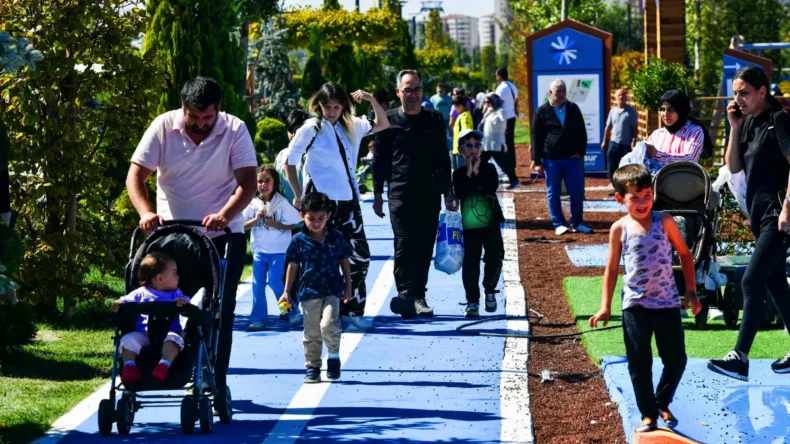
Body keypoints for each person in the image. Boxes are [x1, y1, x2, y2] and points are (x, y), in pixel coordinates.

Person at [126, 77, 257, 403]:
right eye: (193, 117)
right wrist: (145, 212)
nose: (200, 124)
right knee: (164, 307)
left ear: (218, 111)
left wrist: (225, 214)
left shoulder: (235, 129)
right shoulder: (162, 127)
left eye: (207, 118)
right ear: (182, 109)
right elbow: (136, 175)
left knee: (218, 312)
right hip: (173, 239)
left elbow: (248, 183)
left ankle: (216, 381)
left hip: (222, 236)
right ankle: (156, 367)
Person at [590, 164, 701, 433]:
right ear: (620, 199)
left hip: (667, 304)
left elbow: (685, 255)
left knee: (676, 359)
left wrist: (691, 290)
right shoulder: (619, 228)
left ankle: (662, 401)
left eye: (647, 196)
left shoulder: (665, 221)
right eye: (635, 198)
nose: (642, 203)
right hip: (635, 306)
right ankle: (649, 414)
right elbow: (612, 267)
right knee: (640, 362)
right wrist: (605, 306)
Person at [707, 66, 790, 381]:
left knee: (750, 282)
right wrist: (733, 127)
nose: (737, 99)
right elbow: (734, 166)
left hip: (779, 217)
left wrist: (787, 208)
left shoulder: (778, 121)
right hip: (760, 216)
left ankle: (740, 357)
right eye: (735, 93)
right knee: (774, 282)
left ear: (761, 92)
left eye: (743, 93)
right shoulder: (748, 122)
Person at [285, 83, 389, 330]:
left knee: (360, 257)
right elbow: (290, 160)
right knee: (316, 257)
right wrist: (300, 196)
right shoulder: (311, 128)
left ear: (343, 106)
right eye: (326, 106)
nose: (331, 111)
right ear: (318, 105)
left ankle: (351, 310)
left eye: (336, 106)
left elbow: (383, 124)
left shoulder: (351, 125)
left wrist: (372, 99)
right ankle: (313, 308)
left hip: (348, 203)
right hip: (320, 202)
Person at [373, 69, 457, 319]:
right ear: (398, 92)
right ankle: (405, 294)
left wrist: (449, 191)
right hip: (399, 193)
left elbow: (443, 157)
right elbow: (379, 160)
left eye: (417, 89)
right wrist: (377, 193)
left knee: (423, 245)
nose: (413, 94)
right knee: (404, 243)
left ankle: (419, 296)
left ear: (423, 91)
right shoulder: (387, 121)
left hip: (429, 193)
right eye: (407, 89)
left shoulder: (434, 119)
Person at [281, 192, 352, 383]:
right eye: (311, 218)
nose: (316, 222)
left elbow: (344, 261)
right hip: (308, 291)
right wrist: (287, 291)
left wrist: (348, 285)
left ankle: (334, 356)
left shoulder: (335, 237)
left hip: (332, 289)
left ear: (328, 216)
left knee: (328, 324)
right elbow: (293, 265)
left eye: (321, 218)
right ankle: (312, 366)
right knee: (311, 331)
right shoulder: (298, 240)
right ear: (302, 215)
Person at [112, 252, 192, 386]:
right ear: (160, 278)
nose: (178, 277)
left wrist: (183, 303)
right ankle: (129, 366)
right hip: (143, 334)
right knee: (128, 340)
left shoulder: (176, 294)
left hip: (168, 333)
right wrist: (119, 303)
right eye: (174, 273)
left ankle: (164, 365)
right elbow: (126, 300)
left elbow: (187, 302)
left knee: (175, 340)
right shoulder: (140, 293)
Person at [242, 166, 303, 332]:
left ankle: (289, 310)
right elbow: (242, 225)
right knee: (257, 285)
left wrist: (274, 224)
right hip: (259, 252)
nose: (263, 184)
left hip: (279, 251)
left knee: (275, 283)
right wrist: (256, 219)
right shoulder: (252, 203)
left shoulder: (281, 202)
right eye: (260, 181)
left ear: (275, 183)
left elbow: (294, 223)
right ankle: (258, 319)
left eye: (267, 180)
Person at [452, 129, 504, 318]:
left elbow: (490, 186)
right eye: (468, 146)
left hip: (490, 222)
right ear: (460, 149)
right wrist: (470, 171)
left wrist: (476, 172)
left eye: (476, 145)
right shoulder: (457, 174)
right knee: (471, 262)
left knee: (495, 255)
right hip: (469, 225)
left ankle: (489, 289)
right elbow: (462, 192)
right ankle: (472, 300)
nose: (473, 149)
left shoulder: (489, 169)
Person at [531, 79, 593, 235]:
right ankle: (559, 223)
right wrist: (537, 161)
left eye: (564, 91)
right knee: (553, 192)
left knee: (577, 191)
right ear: (550, 92)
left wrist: (580, 151)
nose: (561, 94)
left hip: (571, 159)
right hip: (551, 160)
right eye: (558, 91)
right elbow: (535, 137)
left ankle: (577, 222)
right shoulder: (541, 112)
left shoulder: (573, 108)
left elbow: (582, 132)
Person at [644, 90, 705, 170]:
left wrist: (658, 154)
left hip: (684, 181)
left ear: (680, 111)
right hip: (659, 181)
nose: (665, 114)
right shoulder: (657, 135)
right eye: (662, 109)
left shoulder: (694, 131)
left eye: (671, 109)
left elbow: (689, 159)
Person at [602, 89, 638, 184]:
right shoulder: (612, 111)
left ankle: (623, 186)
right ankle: (614, 186)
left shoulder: (631, 112)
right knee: (612, 166)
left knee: (625, 167)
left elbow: (634, 128)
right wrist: (605, 141)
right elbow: (608, 127)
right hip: (613, 143)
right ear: (615, 97)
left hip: (625, 144)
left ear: (626, 97)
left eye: (623, 95)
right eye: (619, 95)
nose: (621, 97)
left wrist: (634, 140)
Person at [274, 110, 310, 205]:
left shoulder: (313, 153)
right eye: (290, 131)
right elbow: (278, 186)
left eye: (298, 130)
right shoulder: (282, 155)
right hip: (289, 212)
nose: (294, 135)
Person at [495, 67, 521, 189]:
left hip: (504, 118)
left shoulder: (501, 88)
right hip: (512, 117)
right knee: (510, 144)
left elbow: (496, 104)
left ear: (500, 76)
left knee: (504, 145)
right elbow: (516, 102)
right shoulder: (512, 86)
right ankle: (512, 165)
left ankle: (509, 168)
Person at [478, 93, 508, 174]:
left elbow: (500, 123)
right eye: (486, 102)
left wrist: (493, 113)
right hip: (488, 143)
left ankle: (513, 180)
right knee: (480, 163)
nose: (487, 104)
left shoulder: (501, 111)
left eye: (488, 102)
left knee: (503, 164)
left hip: (497, 144)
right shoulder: (489, 112)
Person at [452, 96, 473, 170]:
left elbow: (466, 132)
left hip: (461, 149)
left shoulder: (465, 116)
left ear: (460, 106)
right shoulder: (461, 115)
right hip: (457, 149)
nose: (455, 109)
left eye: (455, 107)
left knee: (461, 171)